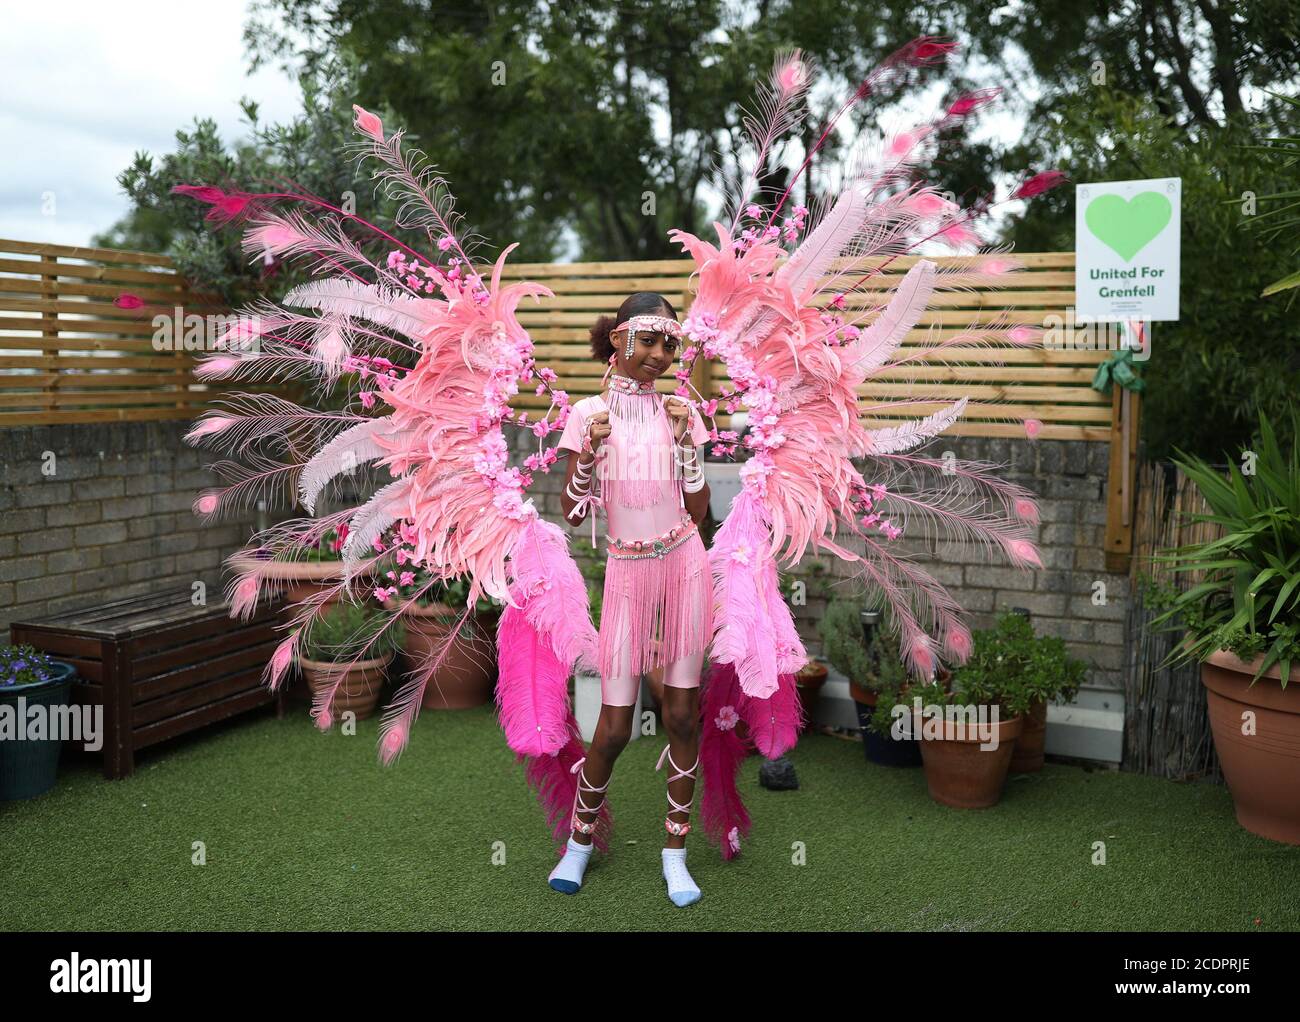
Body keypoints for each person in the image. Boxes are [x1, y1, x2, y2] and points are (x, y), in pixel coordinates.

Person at [549, 291, 713, 906]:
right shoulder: (586, 413)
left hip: (684, 567)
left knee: (680, 715)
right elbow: (571, 512)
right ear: (618, 338)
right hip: (626, 572)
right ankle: (579, 844)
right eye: (648, 339)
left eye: (670, 343)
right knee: (614, 727)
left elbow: (698, 513)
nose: (659, 354)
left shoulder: (682, 412)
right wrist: (588, 454)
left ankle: (675, 855)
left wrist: (686, 448)